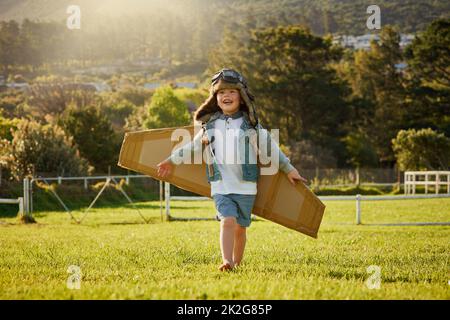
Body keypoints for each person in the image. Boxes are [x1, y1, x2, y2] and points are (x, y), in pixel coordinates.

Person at [157, 68, 307, 271]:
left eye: (231, 92)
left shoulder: (251, 125)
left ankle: (237, 263)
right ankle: (227, 261)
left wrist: (289, 169)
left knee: (240, 229)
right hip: (220, 185)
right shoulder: (210, 125)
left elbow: (270, 147)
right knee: (227, 221)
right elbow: (191, 147)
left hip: (246, 187)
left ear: (241, 96)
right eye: (221, 92)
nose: (226, 96)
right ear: (215, 98)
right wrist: (170, 160)